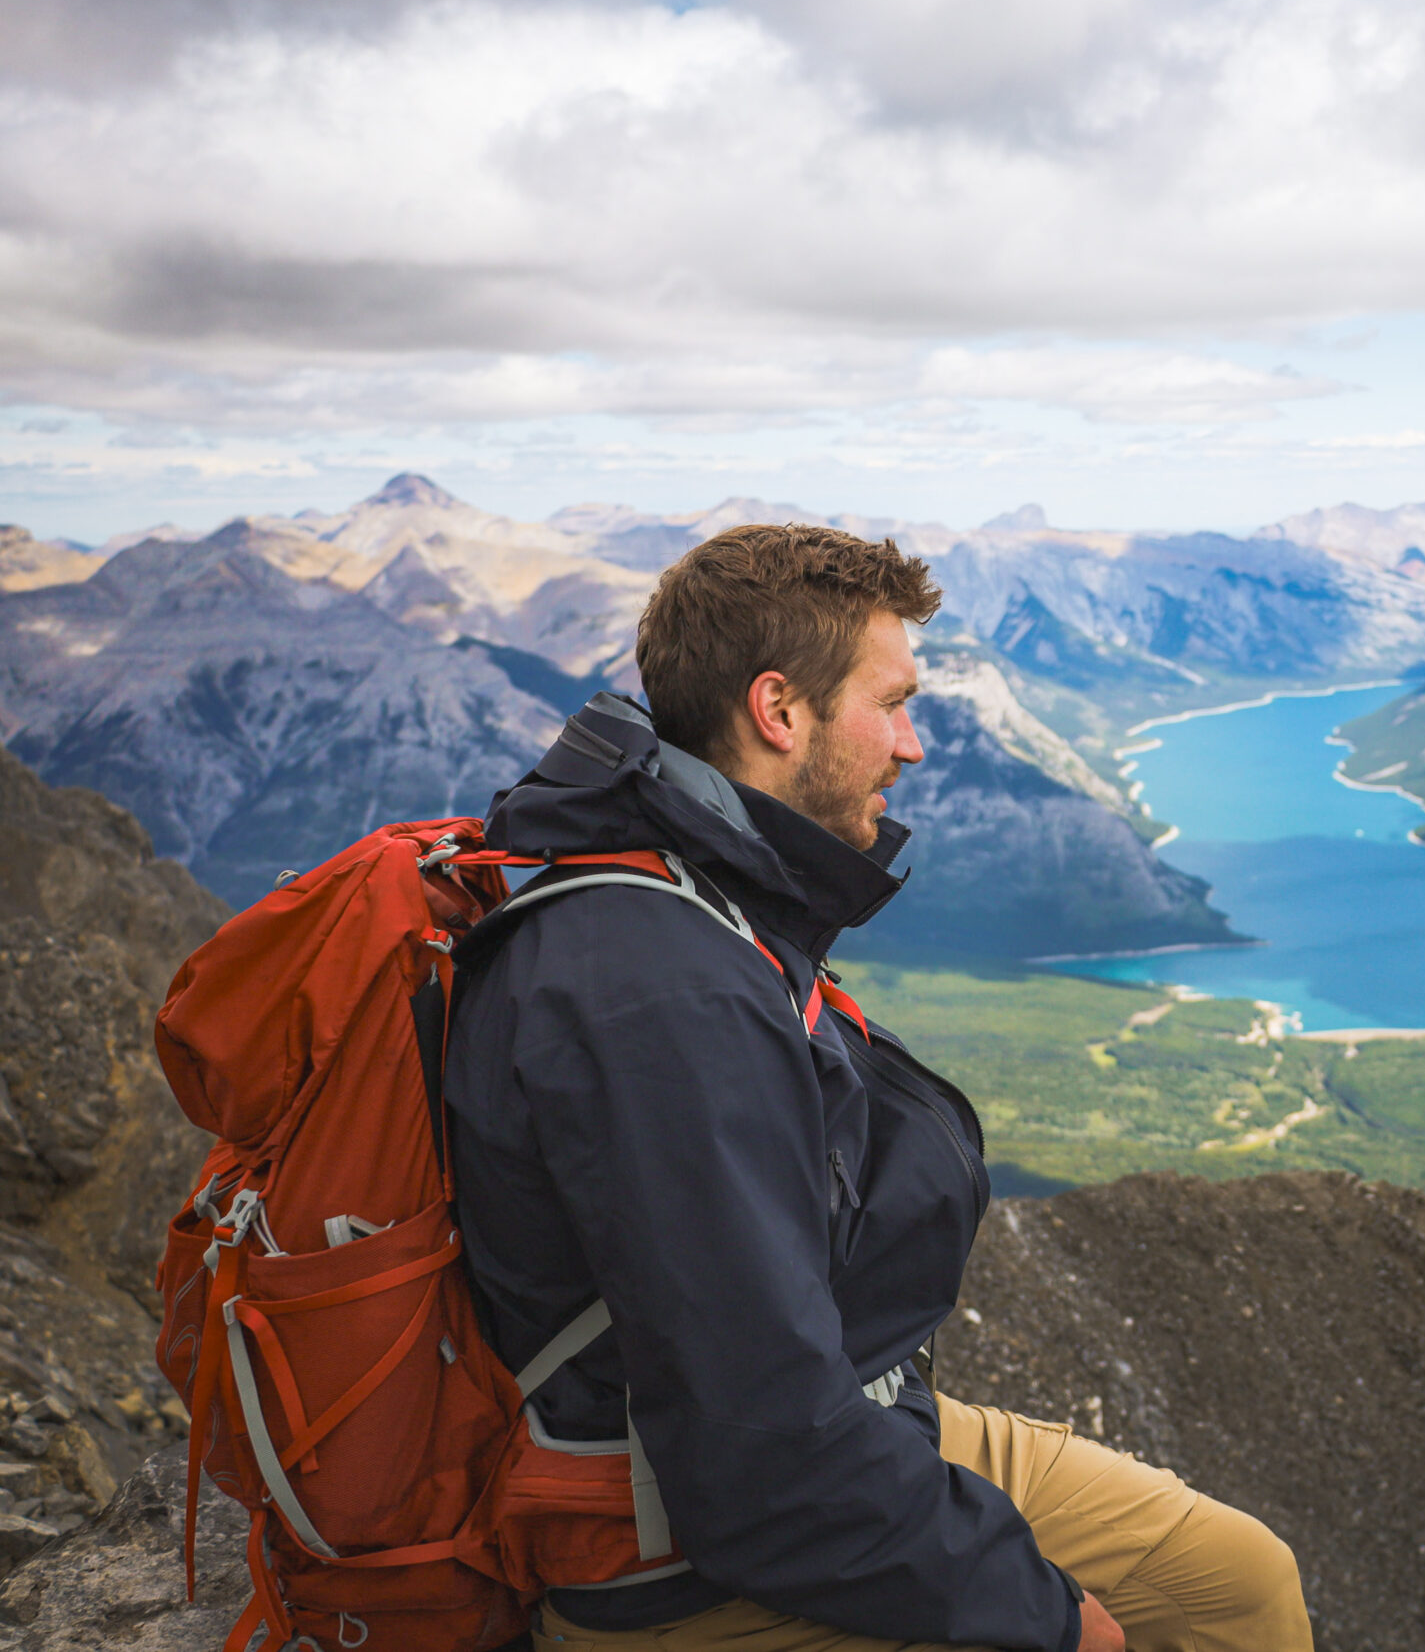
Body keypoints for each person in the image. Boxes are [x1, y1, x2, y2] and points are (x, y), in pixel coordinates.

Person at [443, 525, 1312, 1652]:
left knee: (1233, 1581)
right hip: (675, 1555)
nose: (911, 746)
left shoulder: (701, 890)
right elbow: (762, 1454)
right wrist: (1049, 1620)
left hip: (837, 1426)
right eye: (892, 703)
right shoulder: (659, 995)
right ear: (779, 712)